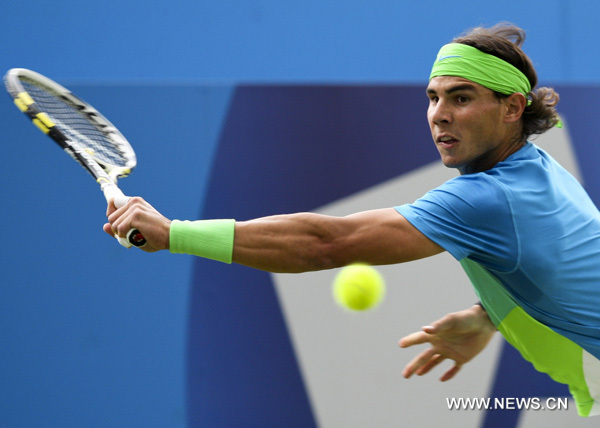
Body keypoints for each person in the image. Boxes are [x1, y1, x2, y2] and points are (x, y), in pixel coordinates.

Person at [104, 23, 600, 416]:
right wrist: (488, 316)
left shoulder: (489, 198)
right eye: (433, 97)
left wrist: (175, 235)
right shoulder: (537, 171)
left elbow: (327, 244)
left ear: (513, 107)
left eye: (462, 98)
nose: (439, 114)